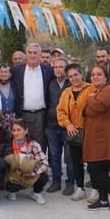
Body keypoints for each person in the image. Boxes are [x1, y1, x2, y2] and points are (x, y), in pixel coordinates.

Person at [83, 66, 110, 211]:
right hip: (95, 135)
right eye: (93, 74)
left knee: (95, 169)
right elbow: (85, 111)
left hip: (105, 136)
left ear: (105, 77)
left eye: (99, 74)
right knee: (100, 168)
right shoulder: (96, 92)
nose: (95, 76)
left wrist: (90, 100)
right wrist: (91, 101)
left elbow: (99, 106)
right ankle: (102, 200)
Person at [57, 63, 95, 199]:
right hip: (74, 133)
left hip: (90, 132)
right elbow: (60, 111)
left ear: (81, 75)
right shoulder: (66, 93)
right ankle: (80, 188)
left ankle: (95, 189)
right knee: (76, 162)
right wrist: (67, 124)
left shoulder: (91, 88)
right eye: (71, 76)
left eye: (76, 75)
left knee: (92, 162)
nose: (74, 78)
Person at [10, 42, 53, 147]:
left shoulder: (48, 70)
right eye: (30, 53)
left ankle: (39, 163)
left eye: (35, 53)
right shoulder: (17, 70)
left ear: (40, 55)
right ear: (26, 55)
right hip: (22, 114)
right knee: (22, 143)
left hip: (41, 115)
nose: (32, 55)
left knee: (40, 144)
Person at [5, 118, 49, 204]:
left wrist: (33, 173)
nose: (16, 133)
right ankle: (11, 192)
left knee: (44, 176)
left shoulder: (33, 144)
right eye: (14, 130)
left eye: (19, 130)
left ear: (26, 131)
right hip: (15, 175)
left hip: (30, 174)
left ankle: (36, 193)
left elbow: (44, 163)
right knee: (11, 186)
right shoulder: (8, 143)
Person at [45, 56, 70, 193]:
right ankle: (56, 181)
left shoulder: (71, 83)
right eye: (55, 67)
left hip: (68, 126)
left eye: (60, 67)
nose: (57, 69)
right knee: (54, 156)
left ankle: (70, 182)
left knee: (69, 157)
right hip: (52, 126)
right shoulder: (51, 83)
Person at [0, 63, 16, 131]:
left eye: (6, 72)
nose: (3, 74)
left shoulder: (14, 84)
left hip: (13, 118)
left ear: (10, 74)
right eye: (1, 71)